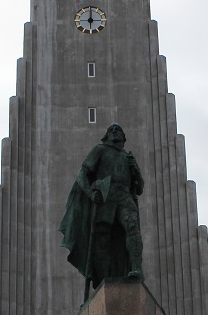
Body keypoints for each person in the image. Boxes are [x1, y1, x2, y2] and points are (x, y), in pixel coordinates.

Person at [59, 123, 144, 299]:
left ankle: (136, 269)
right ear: (106, 136)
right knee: (102, 240)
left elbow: (140, 188)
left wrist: (136, 170)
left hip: (124, 196)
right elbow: (82, 175)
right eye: (111, 130)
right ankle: (104, 278)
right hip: (106, 196)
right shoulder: (100, 150)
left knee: (132, 226)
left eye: (118, 130)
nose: (114, 132)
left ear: (123, 137)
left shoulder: (128, 158)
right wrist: (90, 193)